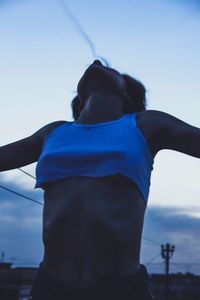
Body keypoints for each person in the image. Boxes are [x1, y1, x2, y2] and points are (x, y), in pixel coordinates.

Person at [0, 59, 200, 300]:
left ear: (125, 92)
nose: (95, 62)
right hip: (51, 288)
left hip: (121, 289)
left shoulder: (144, 125)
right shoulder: (53, 132)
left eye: (108, 66)